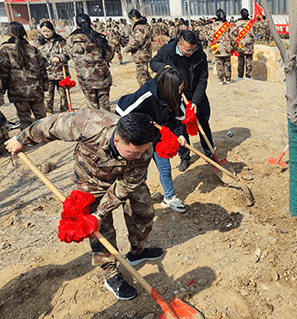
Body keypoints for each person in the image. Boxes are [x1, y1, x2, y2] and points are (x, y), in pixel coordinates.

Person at [4, 110, 165, 301]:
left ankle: (137, 252)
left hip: (124, 179)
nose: (139, 156)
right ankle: (110, 273)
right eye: (134, 152)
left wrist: (100, 212)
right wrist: (22, 138)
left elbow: (127, 185)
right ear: (116, 141)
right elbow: (52, 125)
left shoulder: (143, 151)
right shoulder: (90, 124)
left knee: (144, 212)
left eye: (141, 151)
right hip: (90, 180)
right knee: (101, 229)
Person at [116, 67, 187, 212]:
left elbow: (180, 117)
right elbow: (121, 110)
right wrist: (139, 123)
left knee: (165, 168)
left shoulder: (176, 96)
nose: (181, 93)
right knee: (141, 173)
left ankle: (169, 198)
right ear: (168, 87)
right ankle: (136, 200)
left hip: (160, 138)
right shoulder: (146, 94)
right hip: (142, 139)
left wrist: (180, 134)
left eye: (182, 89)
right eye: (178, 89)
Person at [150, 29, 215, 172]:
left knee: (203, 123)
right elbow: (153, 63)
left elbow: (202, 80)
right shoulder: (167, 50)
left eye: (193, 49)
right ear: (179, 44)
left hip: (195, 95)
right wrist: (163, 67)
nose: (190, 53)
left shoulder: (200, 55)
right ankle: (185, 157)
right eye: (187, 50)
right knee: (179, 126)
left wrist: (196, 102)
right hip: (176, 96)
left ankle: (210, 155)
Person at [0, 21, 48, 130]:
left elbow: (3, 72)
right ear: (23, 32)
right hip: (36, 88)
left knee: (24, 118)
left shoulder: (4, 50)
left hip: (17, 91)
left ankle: (28, 140)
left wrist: (2, 90)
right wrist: (45, 86)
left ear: (9, 33)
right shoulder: (32, 48)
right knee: (41, 116)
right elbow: (42, 69)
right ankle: (43, 137)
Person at [65, 13, 114, 111]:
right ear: (90, 23)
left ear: (77, 24)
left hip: (85, 78)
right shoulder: (97, 37)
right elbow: (108, 56)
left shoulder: (71, 39)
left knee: (92, 109)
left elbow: (71, 56)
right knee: (105, 109)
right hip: (102, 77)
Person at [33, 21, 71, 115]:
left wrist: (59, 58)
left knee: (64, 96)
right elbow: (33, 57)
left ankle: (65, 113)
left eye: (48, 31)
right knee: (47, 97)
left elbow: (68, 53)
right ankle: (49, 114)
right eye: (44, 31)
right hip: (46, 75)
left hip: (61, 73)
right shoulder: (37, 43)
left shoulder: (60, 41)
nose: (46, 33)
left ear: (53, 30)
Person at [123, 9, 152, 87]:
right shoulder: (143, 26)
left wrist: (126, 49)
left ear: (133, 18)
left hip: (141, 56)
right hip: (144, 55)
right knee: (146, 75)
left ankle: (145, 94)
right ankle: (153, 89)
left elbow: (136, 42)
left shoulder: (139, 27)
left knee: (142, 79)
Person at [210, 9, 232, 85]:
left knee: (219, 64)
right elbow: (232, 37)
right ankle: (228, 79)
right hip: (227, 48)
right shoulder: (228, 25)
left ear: (217, 16)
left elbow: (210, 36)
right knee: (227, 64)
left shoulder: (213, 25)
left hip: (217, 48)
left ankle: (221, 80)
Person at [232, 8, 255, 80]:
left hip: (240, 46)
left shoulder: (237, 23)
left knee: (241, 61)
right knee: (249, 61)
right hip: (249, 46)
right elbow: (254, 32)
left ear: (241, 15)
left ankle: (240, 75)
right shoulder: (251, 23)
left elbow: (233, 34)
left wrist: (234, 45)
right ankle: (248, 76)